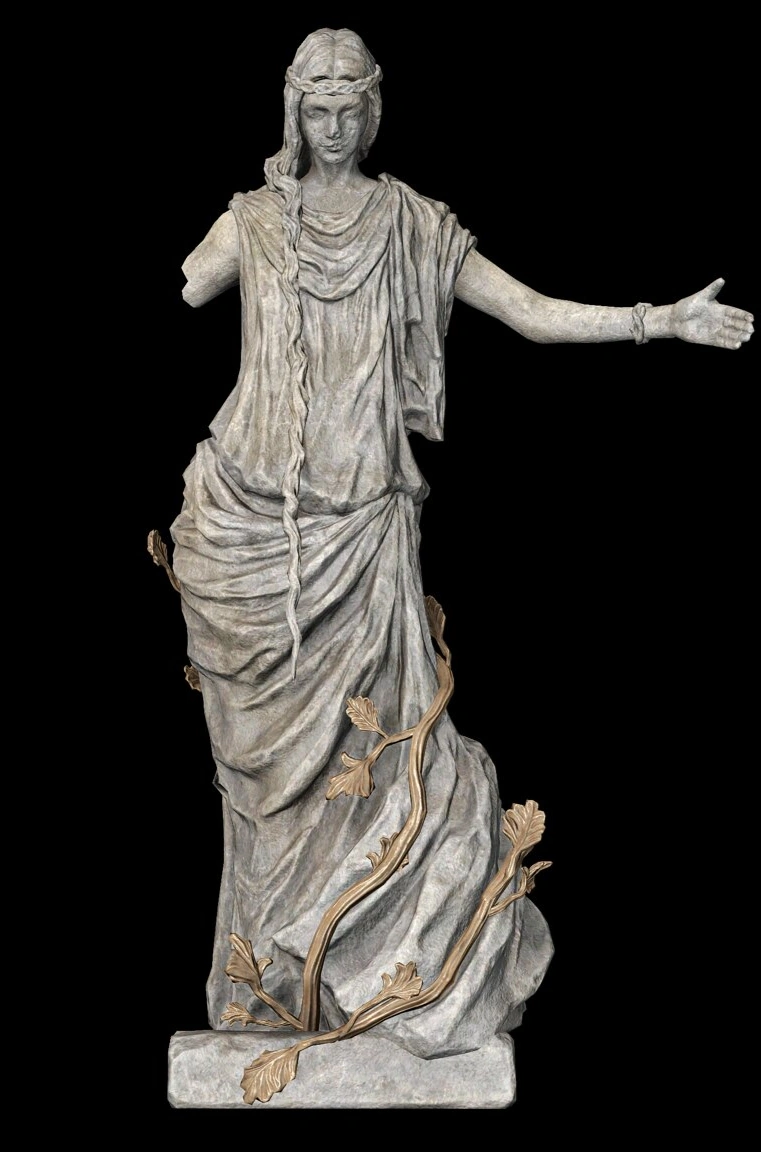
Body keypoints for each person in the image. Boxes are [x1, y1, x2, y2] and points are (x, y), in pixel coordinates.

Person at [171, 28, 753, 1058]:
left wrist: (655, 320)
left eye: (350, 107)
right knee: (265, 784)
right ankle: (275, 986)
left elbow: (526, 312)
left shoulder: (411, 224)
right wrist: (255, 216)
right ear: (293, 113)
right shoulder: (254, 221)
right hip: (252, 522)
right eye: (316, 108)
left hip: (363, 529)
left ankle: (381, 973)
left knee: (385, 754)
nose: (334, 127)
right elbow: (190, 281)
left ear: (374, 111)